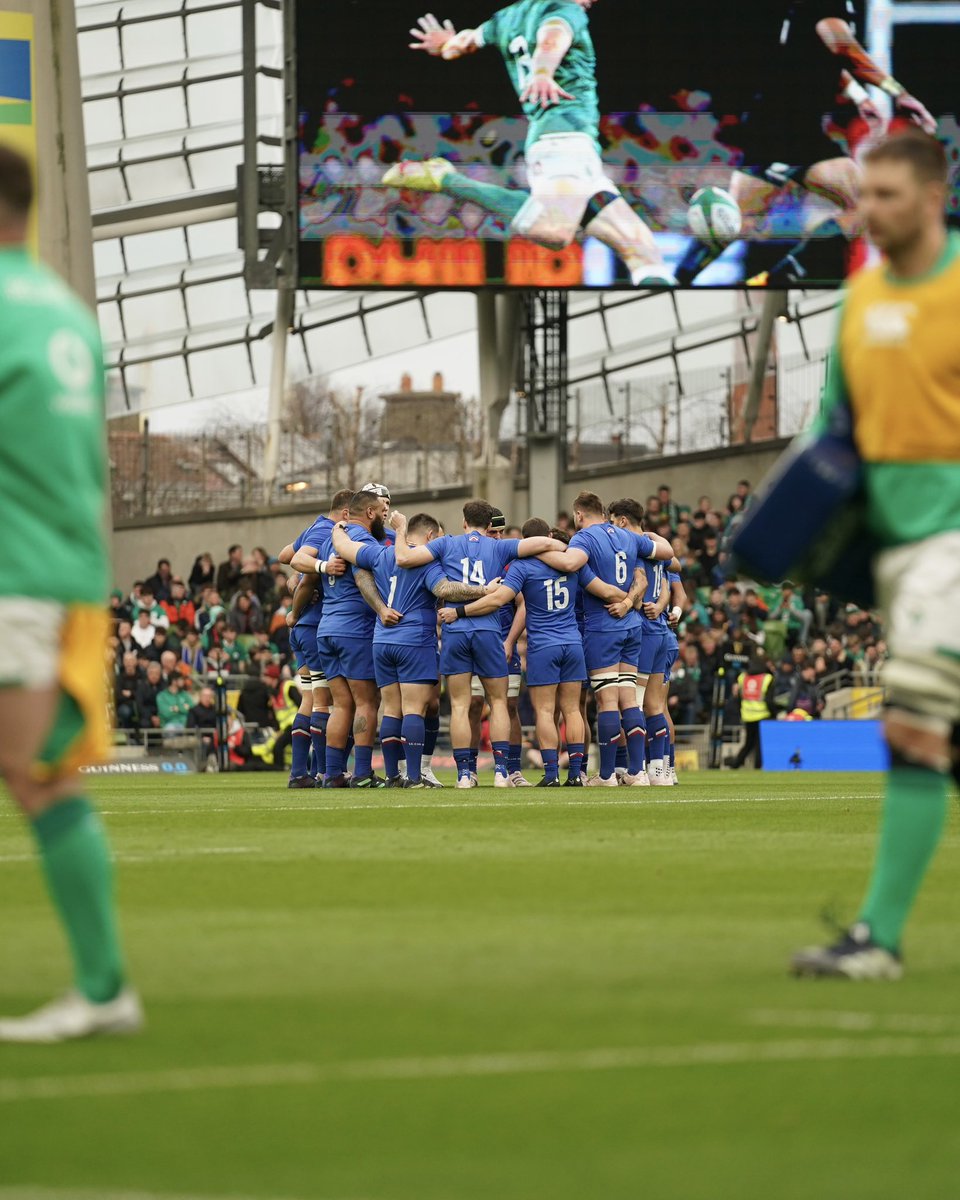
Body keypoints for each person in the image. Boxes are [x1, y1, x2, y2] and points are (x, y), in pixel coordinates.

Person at [791, 131, 960, 979]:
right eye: (866, 196)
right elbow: (836, 434)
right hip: (898, 547)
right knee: (935, 736)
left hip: (953, 545)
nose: (873, 210)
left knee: (915, 725)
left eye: (890, 195)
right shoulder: (857, 303)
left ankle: (878, 939)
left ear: (932, 198)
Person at [0, 145, 141, 1042]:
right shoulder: (65, 312)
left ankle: (103, 989)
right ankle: (102, 987)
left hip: (14, 571)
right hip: (60, 569)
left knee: (37, 775)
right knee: (35, 773)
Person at [386, 1, 676, 286]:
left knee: (643, 253)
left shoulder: (505, 18)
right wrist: (542, 73)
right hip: (561, 140)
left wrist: (446, 45)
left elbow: (464, 43)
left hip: (573, 150)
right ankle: (447, 179)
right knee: (553, 231)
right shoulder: (564, 10)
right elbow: (553, 35)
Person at [675, 1, 935, 287]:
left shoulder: (809, 10)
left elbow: (825, 55)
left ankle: (688, 280)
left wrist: (860, 97)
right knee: (862, 206)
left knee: (861, 206)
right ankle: (696, 279)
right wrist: (898, 92)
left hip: (789, 127)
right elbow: (840, 46)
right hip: (784, 127)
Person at [441, 516, 626, 786]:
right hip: (573, 643)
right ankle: (576, 774)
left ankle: (551, 774)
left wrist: (459, 611)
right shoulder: (574, 566)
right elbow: (606, 590)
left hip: (543, 647)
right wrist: (630, 598)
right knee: (573, 710)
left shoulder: (522, 566)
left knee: (544, 711)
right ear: (549, 535)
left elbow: (497, 599)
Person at [393, 499, 566, 787]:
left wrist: (400, 530)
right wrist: (558, 547)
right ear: (489, 525)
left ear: (463, 522)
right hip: (489, 632)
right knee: (499, 702)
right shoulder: (500, 546)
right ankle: (501, 772)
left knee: (460, 705)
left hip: (455, 631)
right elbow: (547, 545)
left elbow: (404, 558)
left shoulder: (445, 544)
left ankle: (463, 775)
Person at [333, 511, 488, 787]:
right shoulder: (425, 563)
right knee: (414, 708)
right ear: (430, 536)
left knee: (391, 709)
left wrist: (339, 526)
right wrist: (484, 590)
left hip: (382, 641)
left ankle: (394, 775)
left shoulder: (381, 554)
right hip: (413, 639)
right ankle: (414, 776)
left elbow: (344, 547)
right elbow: (445, 589)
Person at [540, 491, 674, 785]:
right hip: (632, 626)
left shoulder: (584, 539)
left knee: (606, 701)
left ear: (578, 515)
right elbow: (666, 553)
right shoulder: (629, 537)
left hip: (603, 625)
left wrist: (538, 549)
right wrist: (628, 599)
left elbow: (569, 565)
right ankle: (637, 773)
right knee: (629, 700)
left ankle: (606, 775)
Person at [292, 490, 395, 788]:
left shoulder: (327, 541)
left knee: (341, 705)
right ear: (371, 513)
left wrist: (294, 611)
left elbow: (303, 575)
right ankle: (362, 772)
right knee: (366, 702)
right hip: (354, 629)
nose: (385, 517)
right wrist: (382, 608)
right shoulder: (360, 542)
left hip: (326, 630)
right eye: (382, 511)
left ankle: (333, 773)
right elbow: (365, 581)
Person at [280, 490, 351, 787]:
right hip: (313, 626)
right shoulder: (327, 531)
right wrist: (318, 567)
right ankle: (324, 772)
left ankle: (299, 773)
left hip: (301, 630)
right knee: (326, 702)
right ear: (346, 513)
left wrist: (293, 580)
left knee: (310, 698)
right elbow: (297, 562)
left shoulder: (314, 526)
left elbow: (285, 556)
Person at [608, 498, 673, 786]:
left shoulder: (632, 546)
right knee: (655, 705)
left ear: (622, 520)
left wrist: (626, 603)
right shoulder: (653, 545)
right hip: (661, 630)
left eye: (612, 520)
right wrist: (661, 604)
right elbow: (676, 567)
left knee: (632, 703)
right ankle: (660, 770)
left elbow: (640, 582)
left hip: (644, 630)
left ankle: (635, 768)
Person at [728, 654, 773, 769]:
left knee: (748, 743)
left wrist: (741, 710)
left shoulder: (742, 677)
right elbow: (769, 700)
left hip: (747, 715)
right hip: (762, 715)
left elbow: (738, 697)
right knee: (759, 744)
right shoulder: (767, 678)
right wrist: (774, 713)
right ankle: (758, 766)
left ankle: (736, 763)